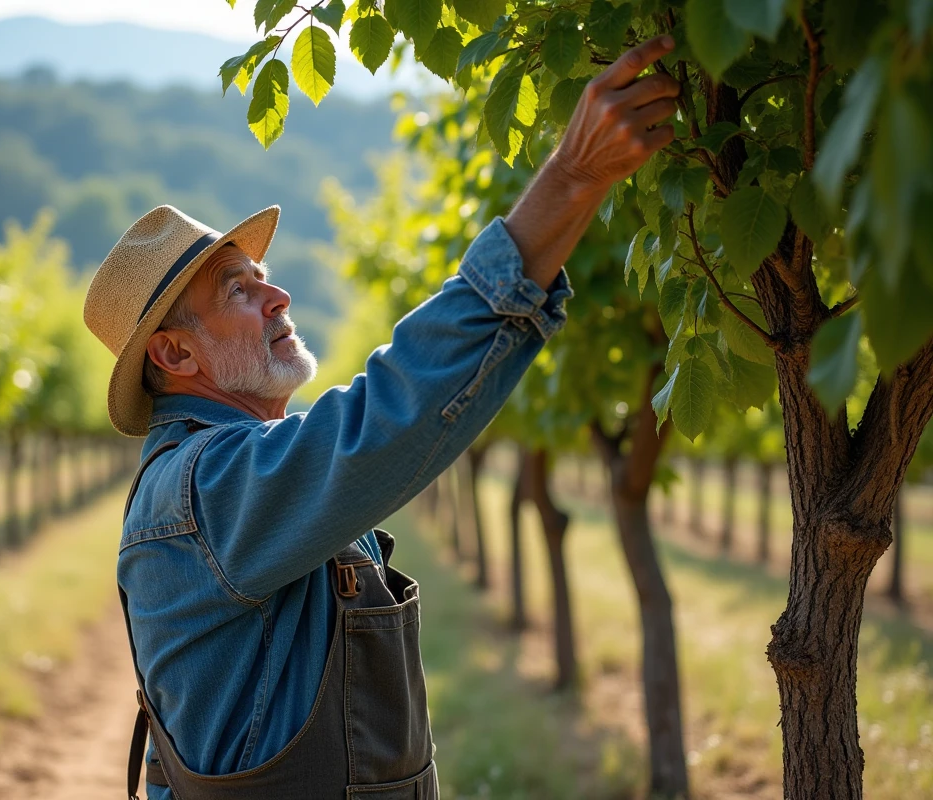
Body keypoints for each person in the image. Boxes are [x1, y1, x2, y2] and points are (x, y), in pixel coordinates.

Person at [82, 35, 681, 800]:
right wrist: (569, 179)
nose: (278, 297)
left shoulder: (229, 474)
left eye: (264, 278)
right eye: (238, 290)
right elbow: (385, 421)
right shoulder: (207, 491)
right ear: (173, 355)